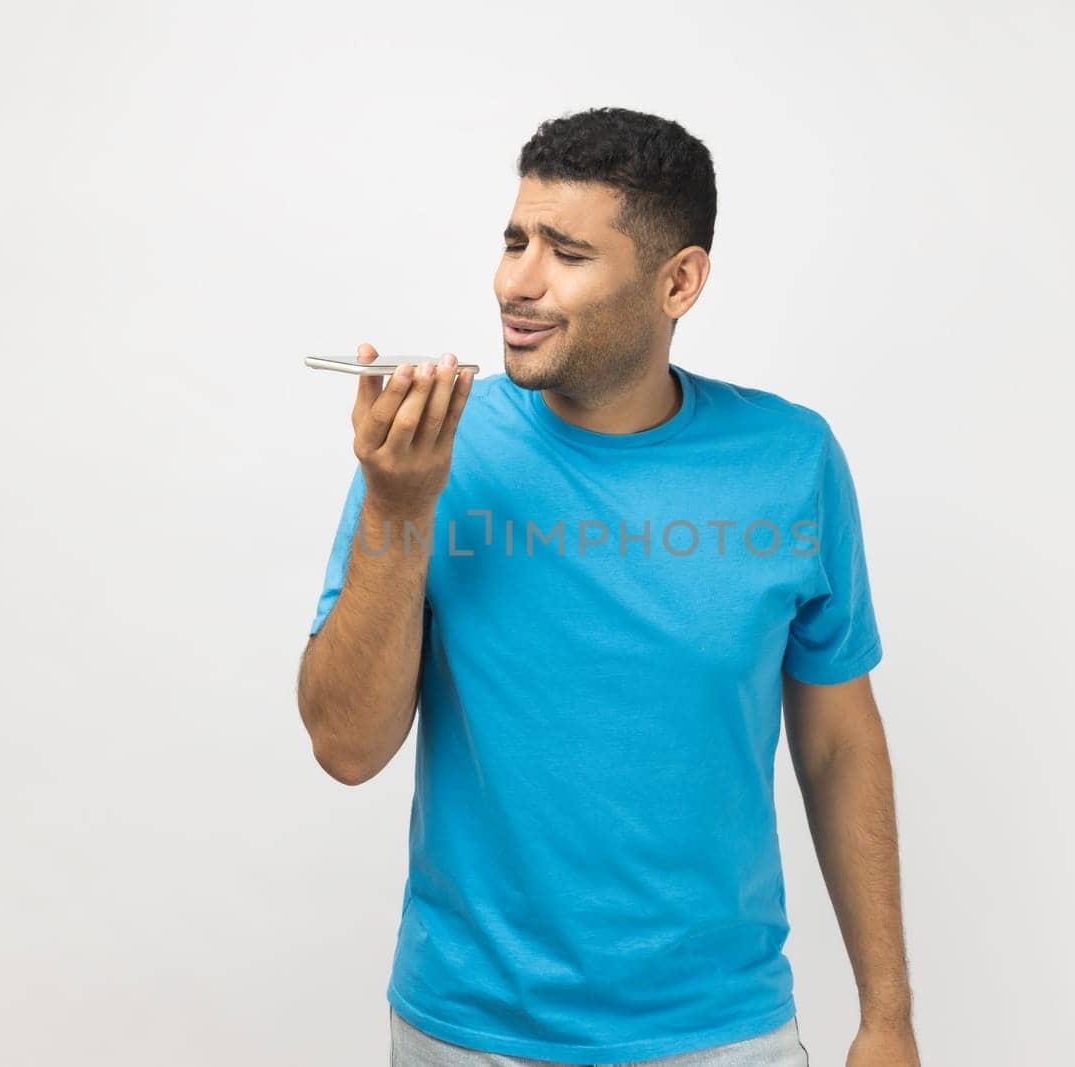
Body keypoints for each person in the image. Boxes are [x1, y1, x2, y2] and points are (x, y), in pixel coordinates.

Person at [296, 107, 921, 1067]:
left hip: (723, 1037)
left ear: (680, 280)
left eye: (567, 252)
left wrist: (888, 1017)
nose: (517, 282)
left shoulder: (791, 460)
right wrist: (399, 504)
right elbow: (345, 746)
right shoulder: (428, 455)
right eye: (514, 241)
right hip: (466, 1034)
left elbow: (838, 743)